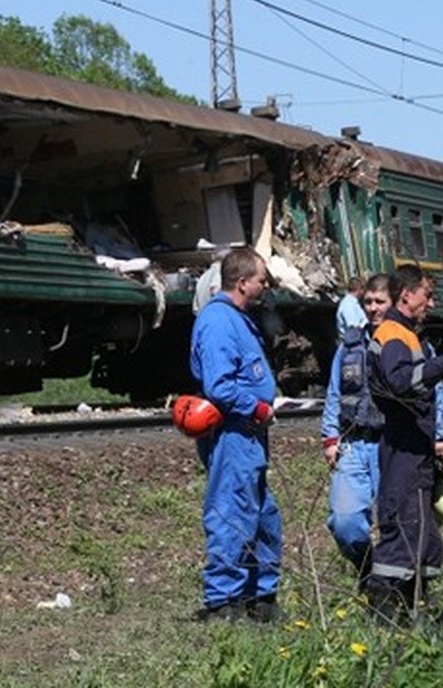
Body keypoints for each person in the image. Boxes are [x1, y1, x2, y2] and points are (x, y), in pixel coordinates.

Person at [363, 264, 443, 623]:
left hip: (414, 447)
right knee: (403, 527)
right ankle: (386, 615)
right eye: (427, 294)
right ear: (407, 295)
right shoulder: (396, 333)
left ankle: (416, 609)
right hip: (403, 449)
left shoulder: (407, 333)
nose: (432, 302)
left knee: (424, 535)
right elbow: (401, 383)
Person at [322, 273, 443, 588]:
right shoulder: (349, 345)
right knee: (345, 521)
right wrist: (330, 438)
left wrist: (438, 437)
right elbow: (334, 393)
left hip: (392, 444)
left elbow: (436, 395)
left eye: (380, 302)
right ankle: (369, 569)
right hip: (355, 442)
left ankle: (391, 583)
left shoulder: (414, 343)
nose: (373, 308)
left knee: (396, 522)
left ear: (395, 302)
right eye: (368, 302)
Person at [189, 247, 281, 622]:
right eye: (261, 280)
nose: (265, 286)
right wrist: (257, 407)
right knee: (231, 512)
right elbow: (220, 386)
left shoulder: (238, 319)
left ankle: (260, 597)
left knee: (263, 516)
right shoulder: (218, 322)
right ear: (242, 282)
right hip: (233, 435)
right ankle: (223, 602)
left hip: (250, 436)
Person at [336, 275, 368, 340]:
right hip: (355, 343)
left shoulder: (353, 303)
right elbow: (354, 328)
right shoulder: (348, 305)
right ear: (359, 289)